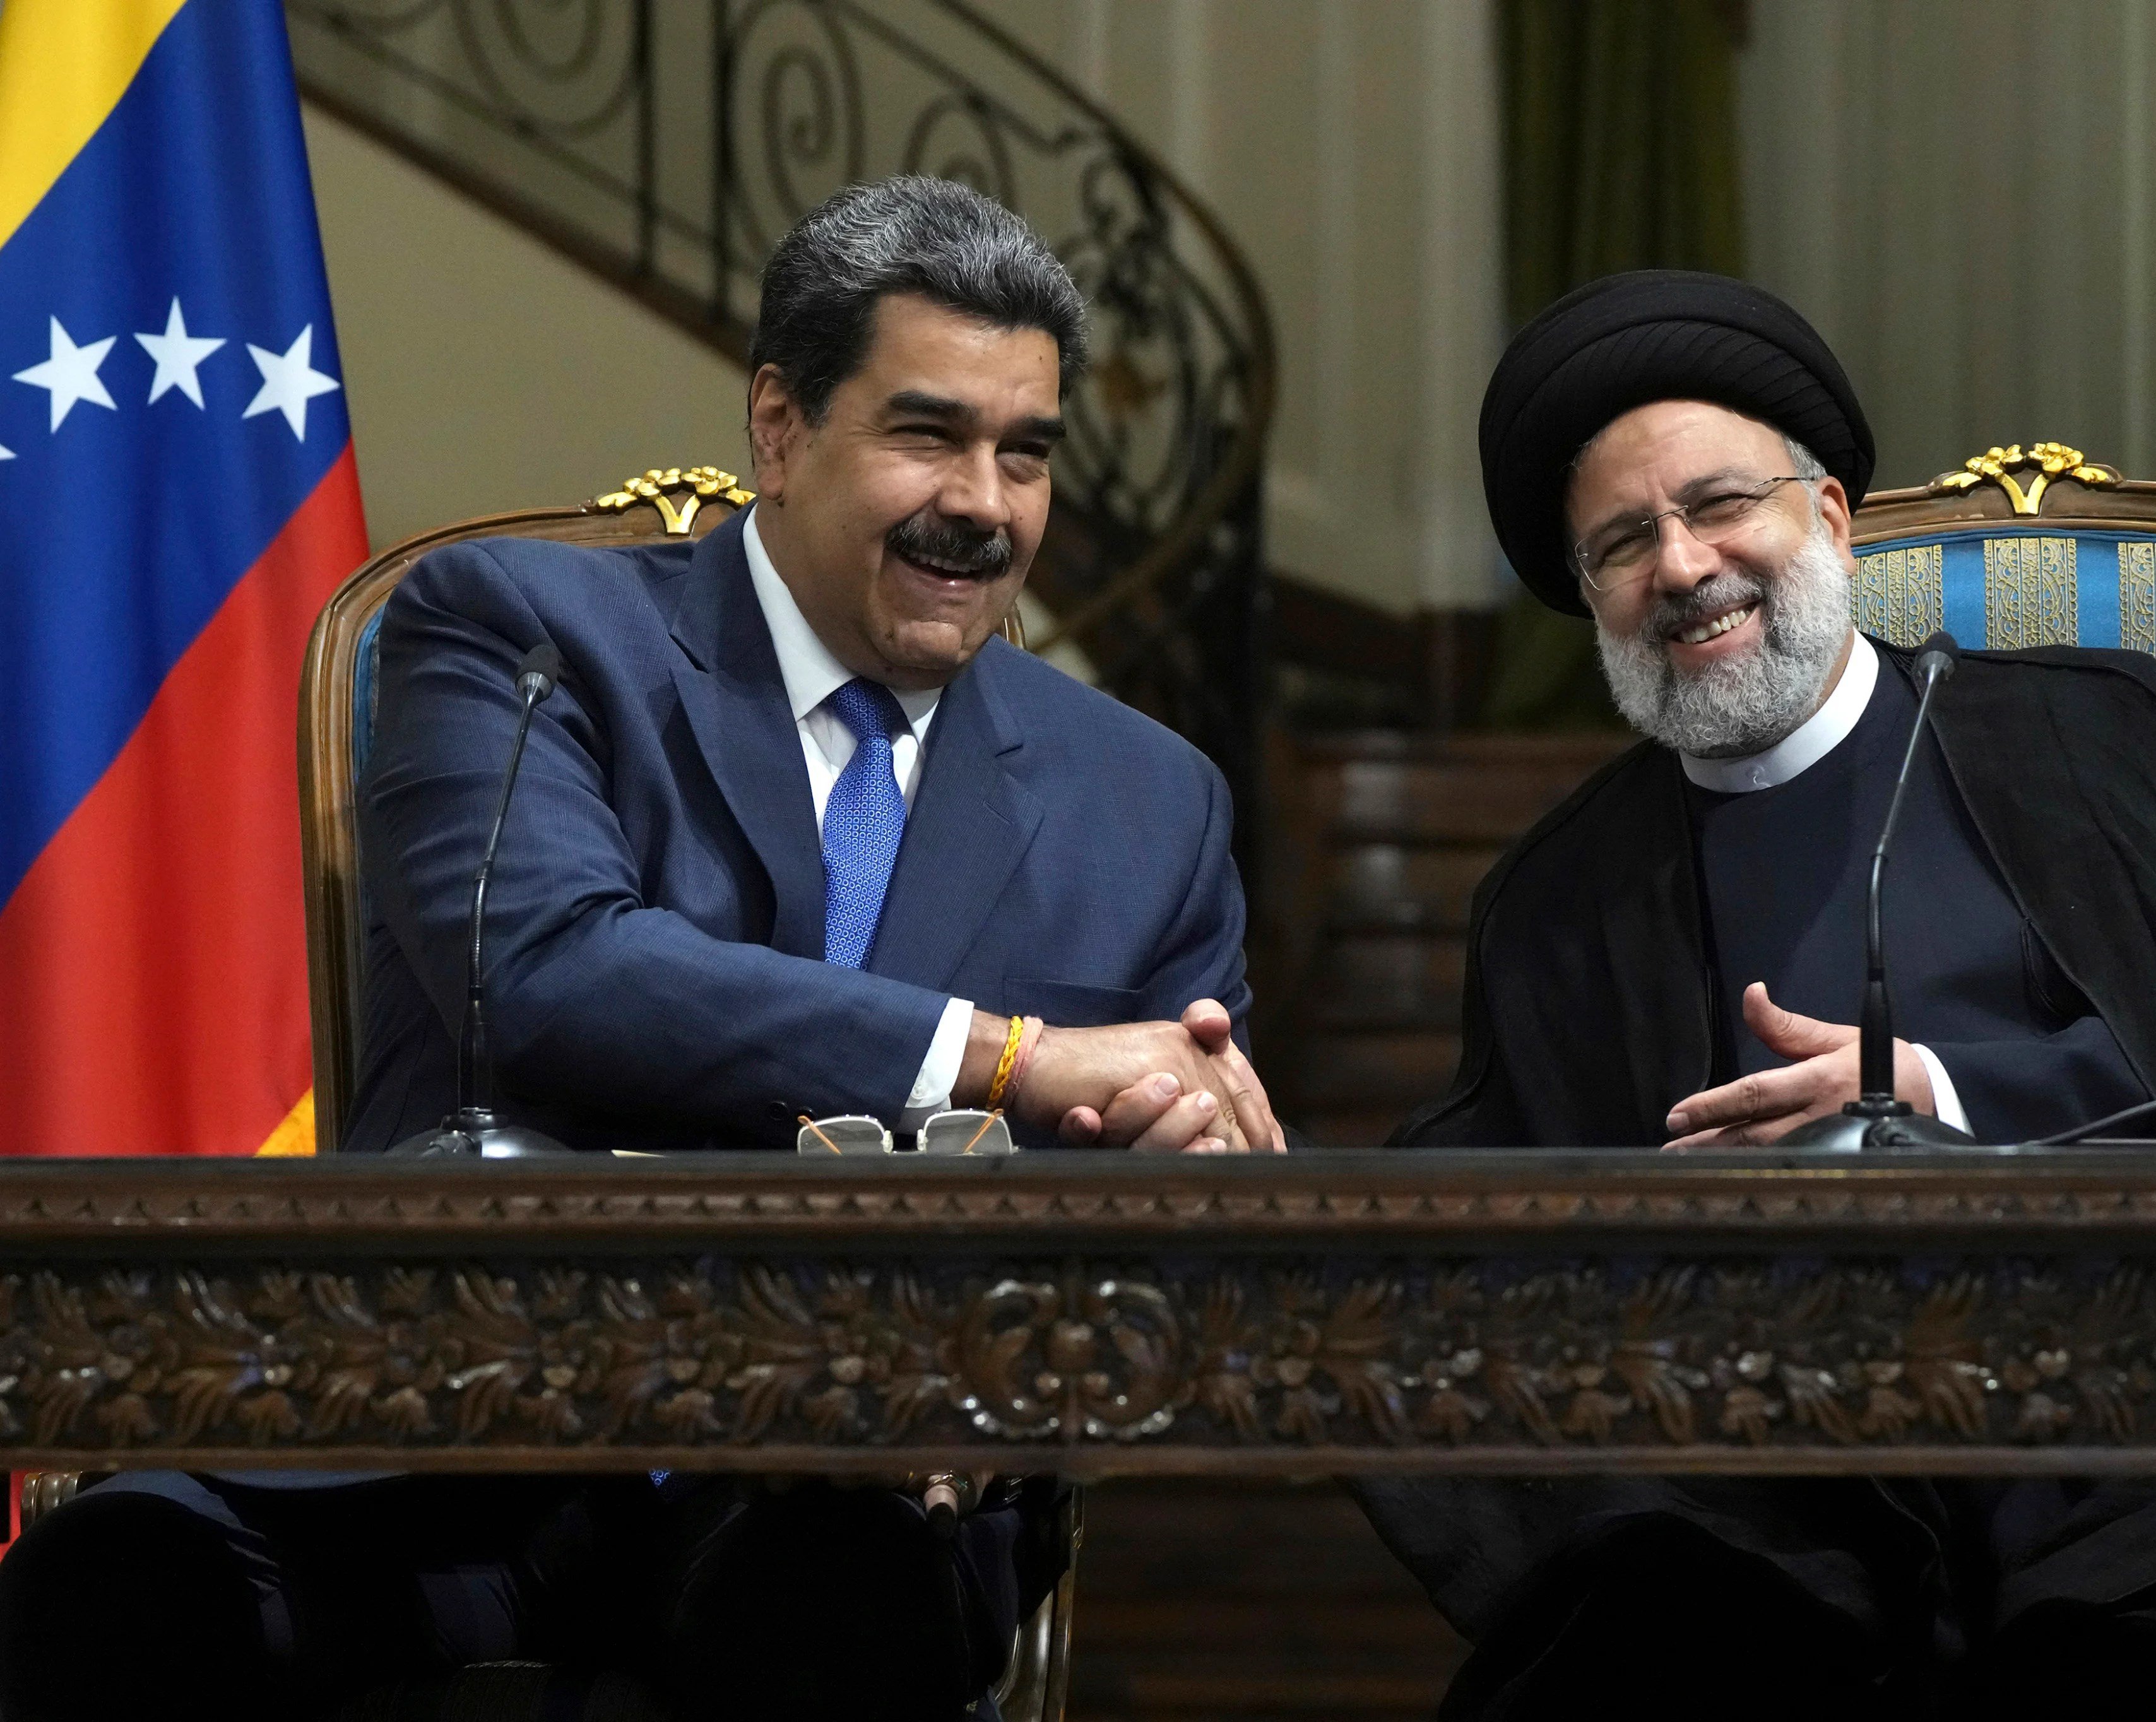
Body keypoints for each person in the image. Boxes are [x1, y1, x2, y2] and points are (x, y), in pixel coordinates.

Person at [0, 177, 1281, 1722]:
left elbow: (1147, 1211)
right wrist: (1009, 1056)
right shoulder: (522, 634)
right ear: (780, 426)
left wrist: (1022, 1361)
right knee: (121, 1580)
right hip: (449, 1437)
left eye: (1026, 454)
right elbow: (541, 973)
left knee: (834, 1597)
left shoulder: (1147, 799)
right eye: (927, 435)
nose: (986, 505)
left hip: (847, 1481)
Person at [1354, 270, 2156, 1719]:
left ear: (1826, 517)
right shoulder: (1558, 899)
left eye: (1717, 505)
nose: (1679, 567)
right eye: (1621, 542)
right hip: (1783, 1508)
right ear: (1585, 598)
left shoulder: (2081, 733)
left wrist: (1934, 1099)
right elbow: (1500, 1239)